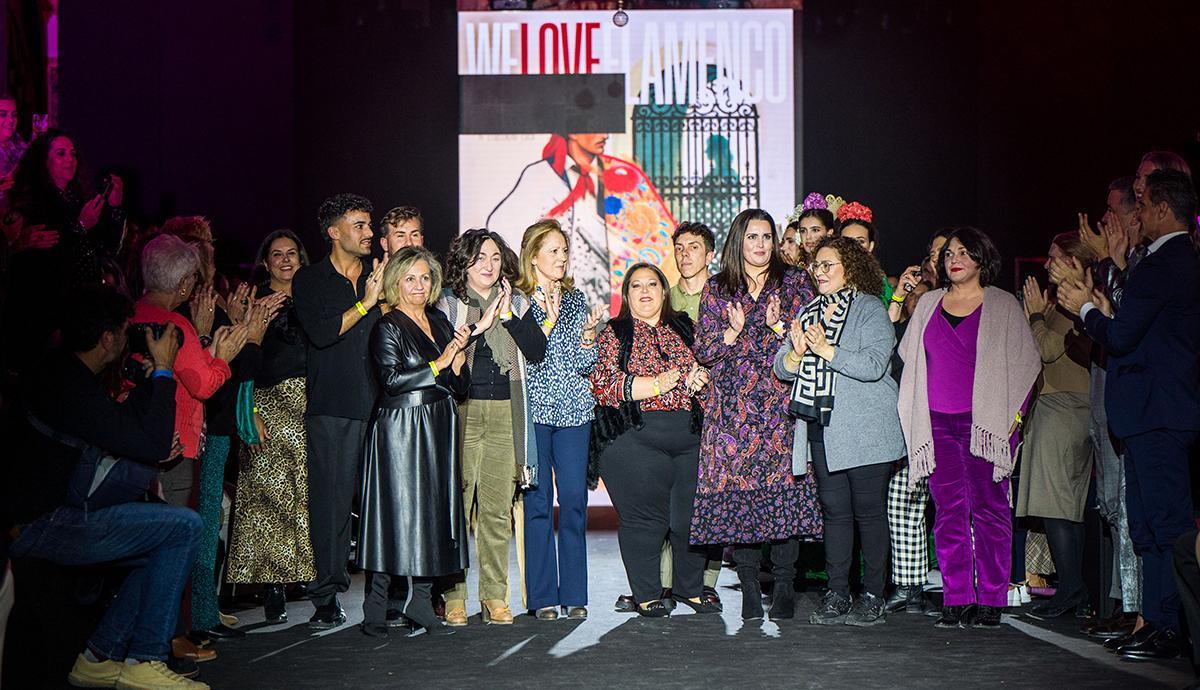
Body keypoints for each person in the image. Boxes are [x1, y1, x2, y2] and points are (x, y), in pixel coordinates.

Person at [9, 285, 208, 689]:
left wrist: (150, 379)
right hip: (42, 525)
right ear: (107, 338)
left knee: (157, 549)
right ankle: (144, 659)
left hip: (51, 516)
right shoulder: (68, 386)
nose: (128, 338)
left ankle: (99, 655)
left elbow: (122, 430)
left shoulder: (63, 372)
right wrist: (166, 372)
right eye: (124, 331)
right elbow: (150, 444)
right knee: (183, 527)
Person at [1058, 169, 1200, 660]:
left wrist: (1083, 308)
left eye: (1142, 206)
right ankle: (1155, 621)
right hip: (1146, 414)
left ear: (1161, 209)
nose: (1136, 216)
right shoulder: (1162, 262)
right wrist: (1117, 264)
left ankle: (1171, 625)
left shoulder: (1170, 262)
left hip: (1160, 412)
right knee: (1147, 526)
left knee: (1164, 524)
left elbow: (1120, 335)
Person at [897, 226, 1040, 629]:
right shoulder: (927, 304)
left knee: (991, 510)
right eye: (948, 254)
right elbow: (910, 360)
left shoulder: (1002, 304)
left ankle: (992, 598)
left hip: (984, 426)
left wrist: (1012, 423)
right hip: (937, 424)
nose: (954, 259)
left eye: (963, 252)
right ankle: (957, 596)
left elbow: (1028, 366)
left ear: (981, 258)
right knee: (948, 513)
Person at [690, 208, 821, 621]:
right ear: (738, 242)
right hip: (732, 416)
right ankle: (748, 586)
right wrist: (734, 330)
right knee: (740, 503)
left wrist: (778, 326)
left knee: (784, 501)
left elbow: (811, 341)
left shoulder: (796, 283)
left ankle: (783, 584)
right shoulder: (717, 289)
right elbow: (705, 351)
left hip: (782, 409)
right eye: (752, 237)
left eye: (767, 236)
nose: (761, 244)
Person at [775, 237, 906, 626]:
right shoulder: (809, 311)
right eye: (816, 266)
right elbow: (782, 367)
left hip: (866, 429)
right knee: (834, 514)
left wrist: (828, 351)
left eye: (828, 265)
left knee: (868, 513)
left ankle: (872, 595)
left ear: (849, 267)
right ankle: (837, 594)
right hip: (822, 426)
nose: (819, 272)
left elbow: (874, 365)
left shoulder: (870, 308)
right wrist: (797, 354)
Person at [357, 246, 471, 637]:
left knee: (432, 513)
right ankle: (375, 606)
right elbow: (390, 382)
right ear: (395, 283)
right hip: (400, 429)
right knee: (393, 513)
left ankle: (421, 604)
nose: (419, 286)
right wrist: (439, 364)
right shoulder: (386, 326)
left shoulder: (439, 321)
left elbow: (458, 386)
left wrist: (456, 362)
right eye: (410, 278)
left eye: (425, 277)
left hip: (438, 423)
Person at [436, 228, 547, 626]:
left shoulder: (516, 301)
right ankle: (453, 597)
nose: (489, 265)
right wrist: (474, 328)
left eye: (496, 258)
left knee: (497, 512)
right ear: (464, 262)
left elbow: (536, 351)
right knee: (456, 508)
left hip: (505, 411)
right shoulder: (446, 304)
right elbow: (442, 360)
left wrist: (507, 318)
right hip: (461, 411)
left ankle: (494, 597)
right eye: (480, 257)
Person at [591, 263, 715, 618]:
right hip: (635, 437)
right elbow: (603, 385)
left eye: (652, 285)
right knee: (646, 520)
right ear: (626, 295)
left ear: (664, 291)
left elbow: (706, 369)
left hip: (690, 435)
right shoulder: (614, 332)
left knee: (688, 518)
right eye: (635, 286)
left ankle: (690, 590)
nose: (644, 292)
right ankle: (646, 594)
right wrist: (658, 383)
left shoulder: (685, 329)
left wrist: (700, 379)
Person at [292, 193, 388, 629]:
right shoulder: (310, 280)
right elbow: (324, 333)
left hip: (381, 407)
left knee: (383, 504)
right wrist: (368, 302)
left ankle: (387, 596)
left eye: (370, 225)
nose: (369, 233)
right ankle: (326, 597)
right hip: (332, 408)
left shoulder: (379, 275)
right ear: (334, 232)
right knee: (330, 507)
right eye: (360, 225)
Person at [226, 229, 316, 624]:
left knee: (307, 492)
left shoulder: (316, 294)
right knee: (267, 497)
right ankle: (273, 585)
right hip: (269, 401)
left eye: (291, 253)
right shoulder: (253, 302)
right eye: (276, 254)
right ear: (265, 262)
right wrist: (249, 410)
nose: (285, 260)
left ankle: (307, 577)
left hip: (313, 402)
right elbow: (243, 359)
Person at [517, 219, 603, 620]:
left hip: (574, 412)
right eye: (553, 250)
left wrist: (589, 337)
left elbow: (585, 363)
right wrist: (544, 320)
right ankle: (542, 598)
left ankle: (575, 594)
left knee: (573, 501)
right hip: (534, 412)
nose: (562, 258)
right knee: (536, 502)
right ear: (533, 256)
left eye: (565, 251)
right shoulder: (516, 302)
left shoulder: (575, 299)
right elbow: (529, 359)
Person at [487, 132, 677, 313]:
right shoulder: (541, 176)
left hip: (612, 304)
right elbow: (501, 227)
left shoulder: (623, 174)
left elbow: (659, 239)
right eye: (595, 129)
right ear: (573, 132)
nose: (604, 135)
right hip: (556, 299)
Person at [1015, 232, 1097, 619]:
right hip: (1060, 407)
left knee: (1059, 506)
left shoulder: (1070, 301)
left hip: (1064, 408)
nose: (1046, 265)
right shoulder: (1064, 301)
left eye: (1053, 258)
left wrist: (1033, 315)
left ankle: (1072, 591)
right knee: (1060, 506)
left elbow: (1048, 350)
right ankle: (1073, 589)